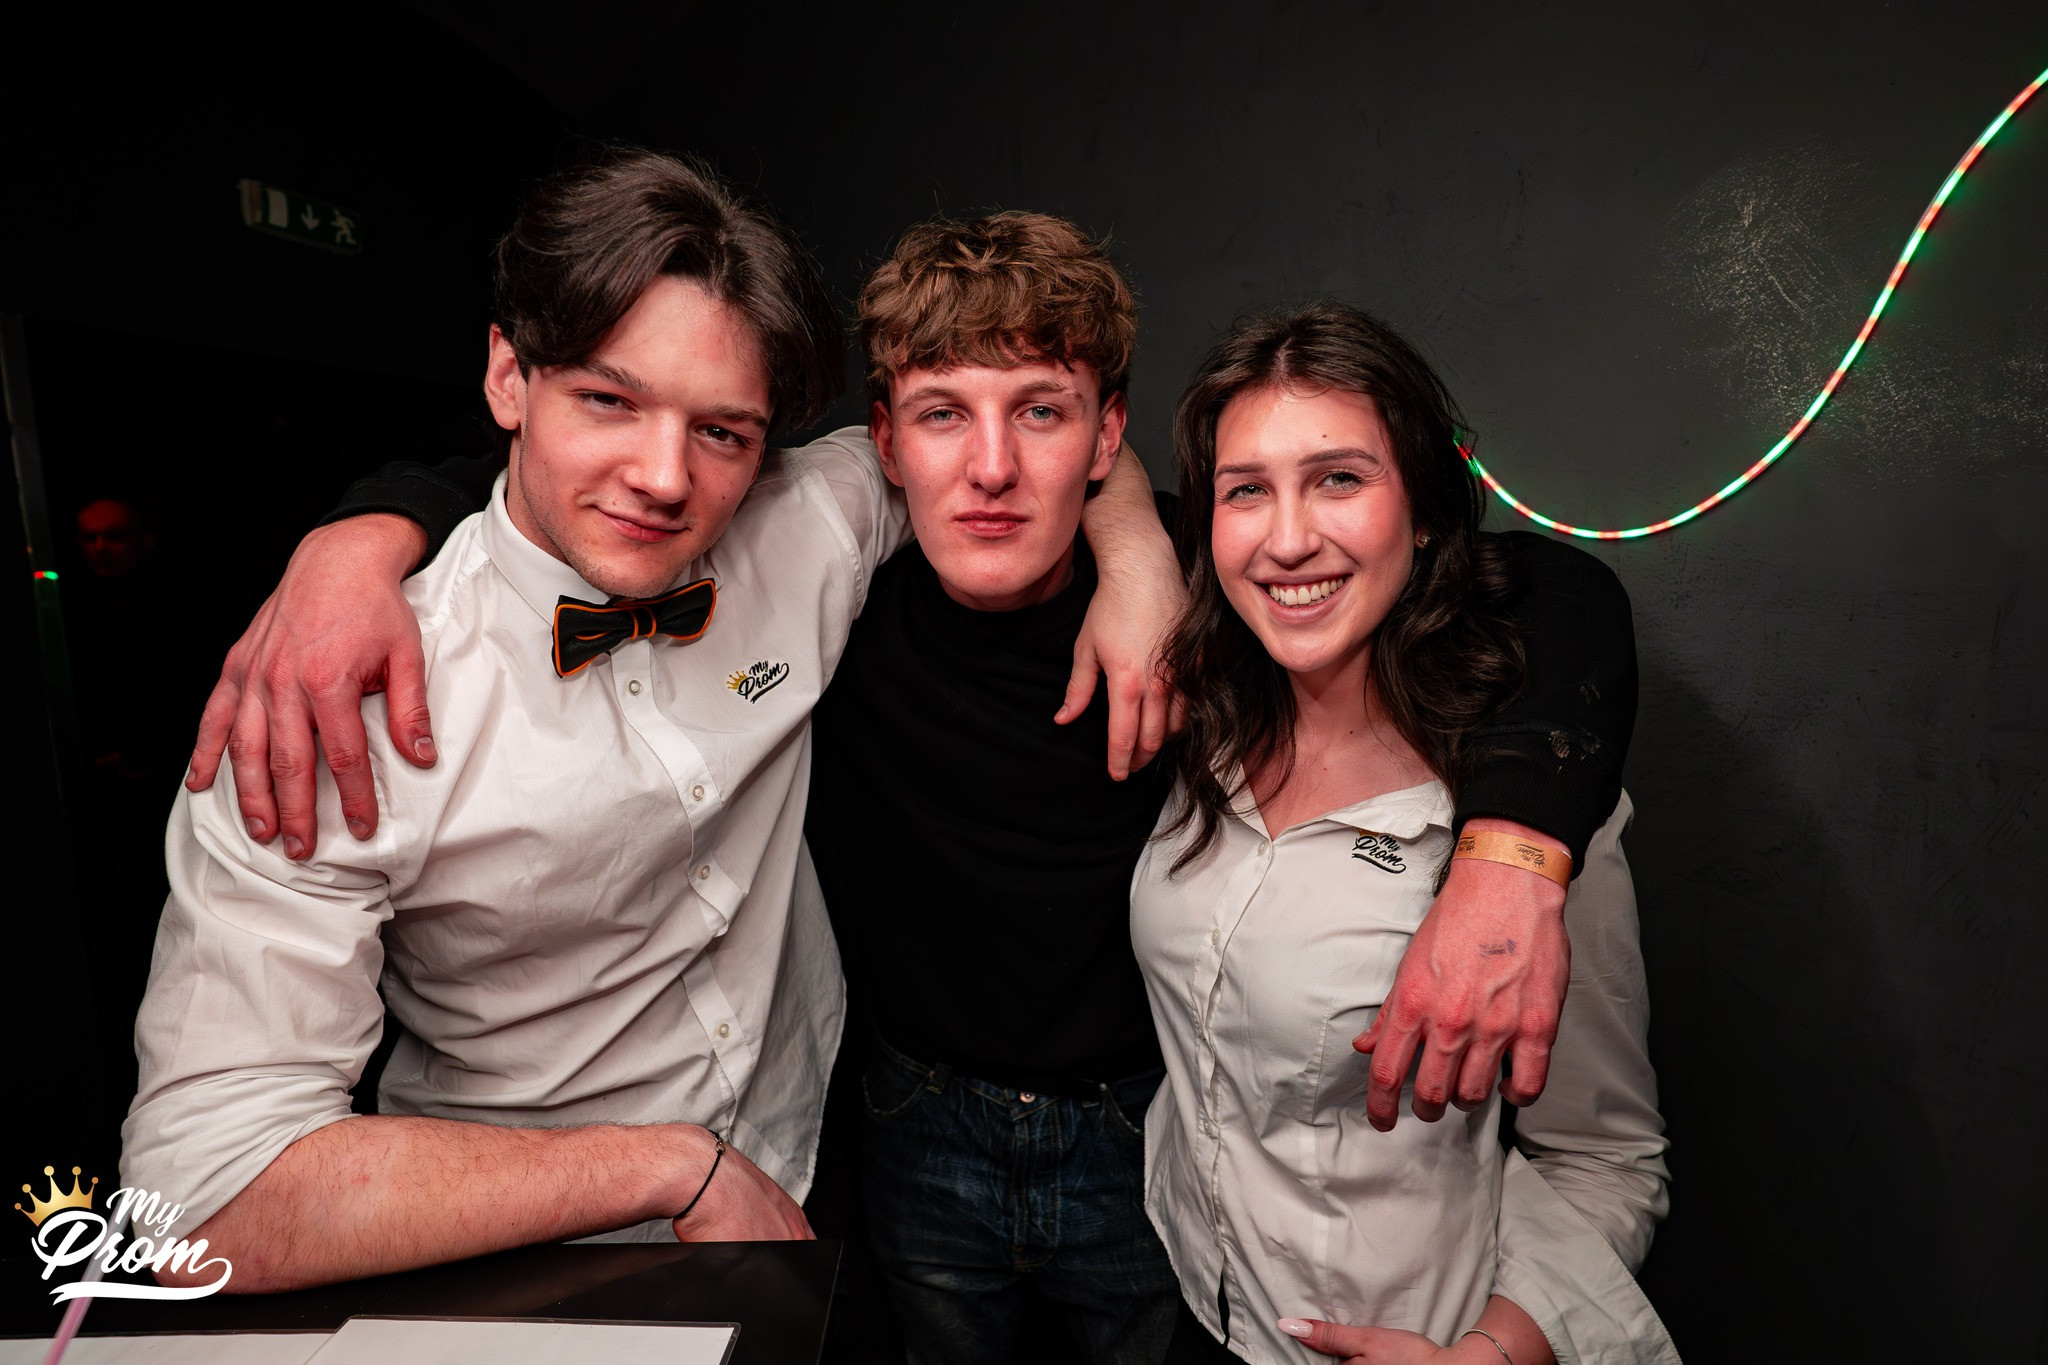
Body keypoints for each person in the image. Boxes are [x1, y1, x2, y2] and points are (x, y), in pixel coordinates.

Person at [230, 211, 1643, 1362]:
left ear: (1106, 438)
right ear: (884, 442)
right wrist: (360, 535)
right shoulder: (818, 571)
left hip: (1142, 1133)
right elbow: (569, 471)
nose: (990, 468)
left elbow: (1550, 596)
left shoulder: (1229, 606)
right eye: (943, 417)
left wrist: (1510, 851)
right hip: (906, 1121)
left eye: (1042, 415)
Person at [121, 149, 1181, 1293]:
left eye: (721, 431)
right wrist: (664, 1168)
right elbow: (193, 1206)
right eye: (608, 401)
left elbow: (1017, 428)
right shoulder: (336, 698)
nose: (664, 477)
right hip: (515, 1267)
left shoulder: (803, 526)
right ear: (507, 377)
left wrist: (1137, 561)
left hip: (818, 1171)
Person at [1137, 304, 1677, 1365]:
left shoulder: (1525, 814)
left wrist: (1487, 1356)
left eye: (1338, 478)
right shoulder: (1205, 726)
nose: (1288, 538)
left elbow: (1606, 1160)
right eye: (1246, 490)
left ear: (1424, 511)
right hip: (1194, 1308)